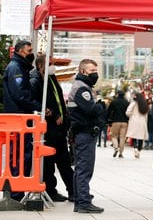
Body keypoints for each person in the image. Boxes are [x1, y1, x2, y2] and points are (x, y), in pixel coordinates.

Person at [30, 54, 74, 202]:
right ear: (40, 66)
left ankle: (73, 190)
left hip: (59, 128)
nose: (53, 66)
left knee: (64, 161)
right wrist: (52, 114)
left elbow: (58, 100)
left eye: (53, 63)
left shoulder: (51, 79)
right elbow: (35, 103)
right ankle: (51, 190)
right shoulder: (36, 80)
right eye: (50, 63)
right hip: (48, 128)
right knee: (49, 163)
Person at [2, 40, 41, 201]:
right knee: (19, 154)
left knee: (21, 153)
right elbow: (20, 94)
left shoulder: (20, 67)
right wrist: (38, 105)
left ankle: (17, 191)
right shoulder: (16, 68)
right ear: (19, 51)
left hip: (20, 117)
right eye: (29, 50)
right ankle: (16, 192)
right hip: (18, 118)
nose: (31, 53)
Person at [67, 59, 105, 213]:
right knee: (84, 169)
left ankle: (80, 201)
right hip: (84, 133)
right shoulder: (81, 89)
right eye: (91, 70)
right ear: (82, 71)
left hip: (82, 132)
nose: (95, 73)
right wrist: (101, 106)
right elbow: (92, 110)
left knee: (80, 169)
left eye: (96, 69)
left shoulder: (83, 86)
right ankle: (83, 203)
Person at [125, 92, 149, 158]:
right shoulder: (145, 104)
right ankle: (139, 150)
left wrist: (131, 116)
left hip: (134, 121)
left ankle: (135, 148)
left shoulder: (134, 103)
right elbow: (146, 115)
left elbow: (128, 112)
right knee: (141, 137)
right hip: (142, 122)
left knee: (134, 137)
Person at [107, 91, 129, 158]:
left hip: (115, 121)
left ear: (117, 95)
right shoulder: (126, 102)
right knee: (122, 137)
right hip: (125, 122)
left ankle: (116, 148)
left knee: (114, 136)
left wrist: (108, 119)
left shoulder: (114, 102)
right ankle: (121, 153)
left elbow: (109, 111)